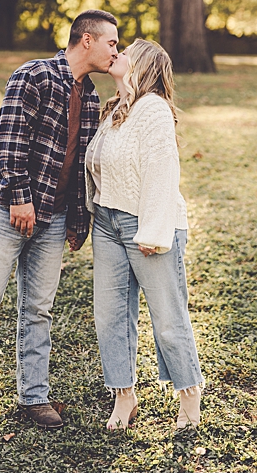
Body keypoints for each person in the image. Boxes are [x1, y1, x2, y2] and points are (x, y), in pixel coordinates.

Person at [0, 10, 120, 433]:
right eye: (112, 42)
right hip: (7, 212)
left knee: (38, 310)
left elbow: (79, 169)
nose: (117, 51)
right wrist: (21, 200)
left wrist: (77, 222)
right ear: (86, 40)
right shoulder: (33, 76)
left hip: (53, 221)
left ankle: (34, 397)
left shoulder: (90, 97)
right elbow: (9, 143)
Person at [85, 39, 204, 430]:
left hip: (146, 224)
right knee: (110, 316)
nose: (118, 54)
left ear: (144, 67)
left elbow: (163, 172)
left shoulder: (152, 109)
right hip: (107, 223)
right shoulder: (118, 108)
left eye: (128, 52)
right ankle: (124, 397)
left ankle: (189, 395)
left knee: (167, 316)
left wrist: (154, 230)